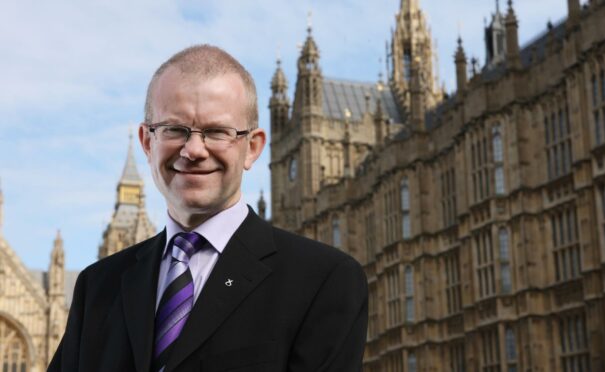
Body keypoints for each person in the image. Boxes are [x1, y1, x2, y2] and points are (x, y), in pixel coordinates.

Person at [48, 44, 368, 372]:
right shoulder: (97, 288)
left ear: (252, 148)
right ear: (147, 142)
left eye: (217, 132)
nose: (194, 149)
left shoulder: (323, 281)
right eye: (175, 129)